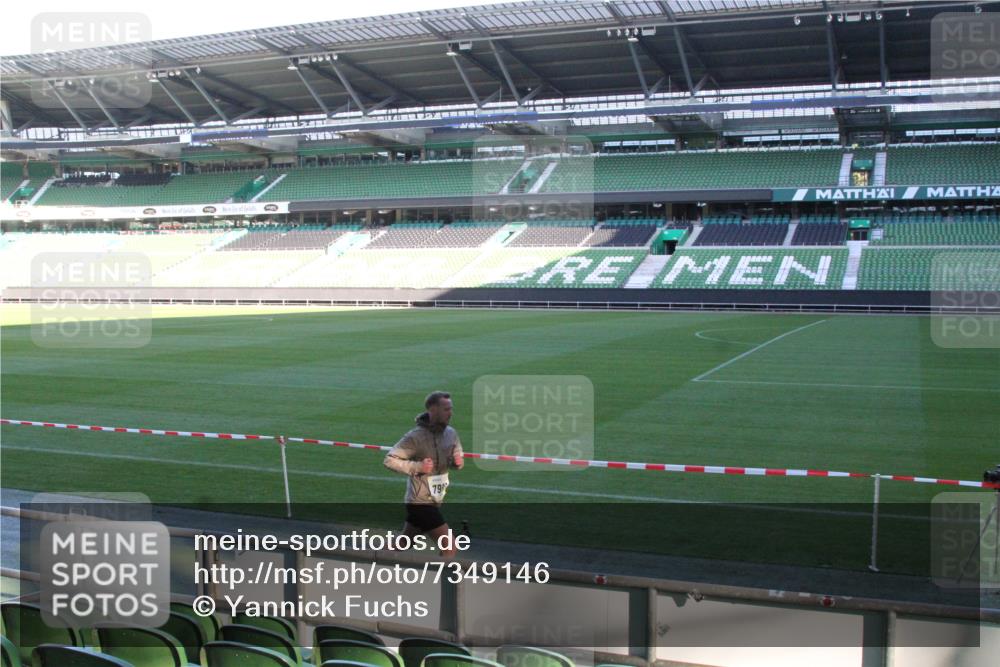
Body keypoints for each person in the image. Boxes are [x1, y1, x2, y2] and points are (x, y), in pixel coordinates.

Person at [383, 390, 464, 559]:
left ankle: (370, 561)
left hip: (436, 500)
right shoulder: (415, 437)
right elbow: (389, 460)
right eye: (446, 409)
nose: (450, 413)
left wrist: (456, 463)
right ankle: (445, 584)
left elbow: (457, 460)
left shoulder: (451, 434)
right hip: (420, 502)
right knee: (450, 546)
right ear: (433, 410)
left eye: (451, 408)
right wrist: (418, 466)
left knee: (403, 543)